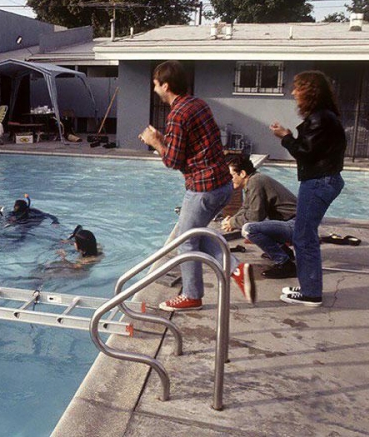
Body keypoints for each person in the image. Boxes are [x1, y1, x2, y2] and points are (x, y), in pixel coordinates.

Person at [138, 60, 254, 311]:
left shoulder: (177, 114)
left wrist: (154, 142)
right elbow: (190, 145)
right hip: (222, 184)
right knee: (194, 234)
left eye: (156, 84)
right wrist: (163, 138)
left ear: (165, 85)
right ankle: (236, 269)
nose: (154, 89)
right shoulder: (197, 104)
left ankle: (191, 296)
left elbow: (172, 160)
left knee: (185, 241)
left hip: (204, 188)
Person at [270, 70, 347, 307]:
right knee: (305, 235)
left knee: (303, 237)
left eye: (297, 88)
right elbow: (311, 148)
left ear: (309, 91)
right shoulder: (325, 116)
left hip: (318, 182)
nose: (293, 92)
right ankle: (308, 285)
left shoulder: (320, 118)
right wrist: (290, 136)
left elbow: (304, 152)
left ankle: (311, 293)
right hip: (323, 180)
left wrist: (285, 137)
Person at [221, 156, 298, 278]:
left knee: (249, 229)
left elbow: (254, 217)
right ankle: (284, 252)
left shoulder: (255, 182)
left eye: (230, 175)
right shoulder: (253, 180)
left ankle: (285, 264)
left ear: (242, 173)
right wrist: (232, 221)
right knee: (254, 225)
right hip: (293, 222)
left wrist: (233, 223)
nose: (228, 180)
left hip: (297, 225)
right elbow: (246, 208)